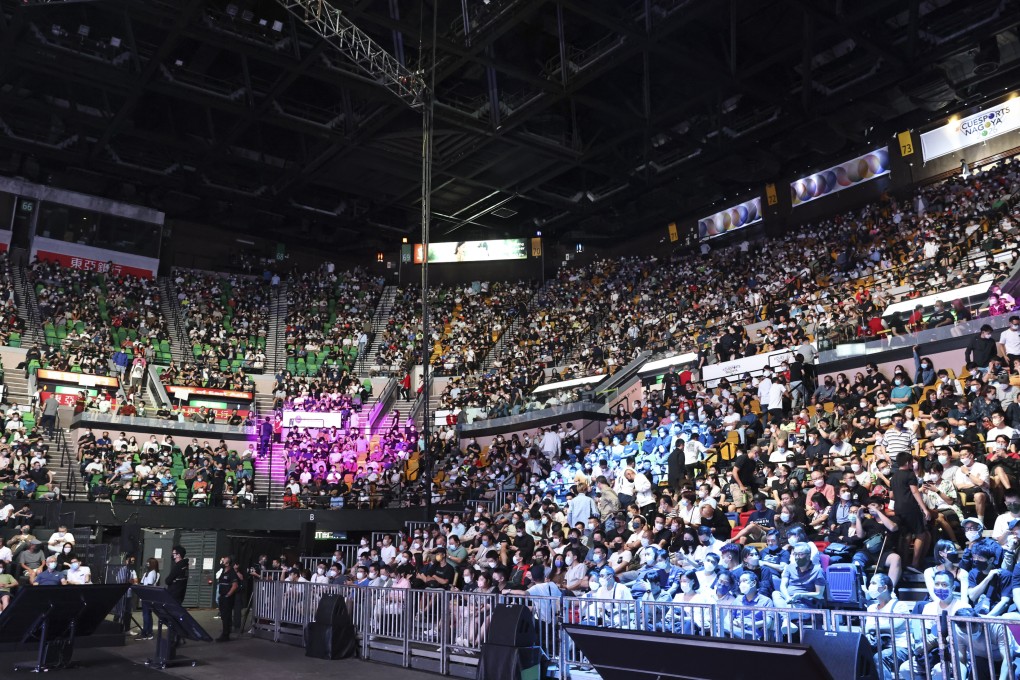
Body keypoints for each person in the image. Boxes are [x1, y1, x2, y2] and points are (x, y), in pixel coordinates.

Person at [216, 555, 240, 642]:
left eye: (224, 561)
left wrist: (228, 594)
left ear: (228, 563)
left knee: (226, 616)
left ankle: (225, 635)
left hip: (227, 598)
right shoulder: (223, 571)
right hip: (222, 597)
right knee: (223, 616)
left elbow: (235, 585)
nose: (222, 562)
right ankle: (225, 633)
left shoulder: (232, 573)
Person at [135, 558, 160, 641]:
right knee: (147, 614)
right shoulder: (147, 573)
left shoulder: (152, 573)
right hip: (145, 596)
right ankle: (149, 632)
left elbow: (149, 585)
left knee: (146, 615)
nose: (147, 564)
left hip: (147, 597)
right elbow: (142, 583)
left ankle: (145, 633)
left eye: (148, 563)